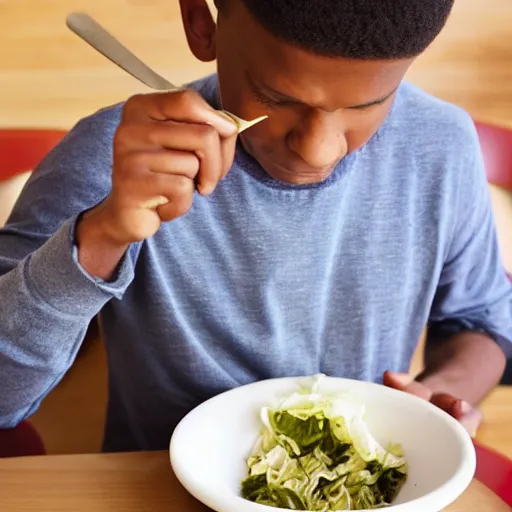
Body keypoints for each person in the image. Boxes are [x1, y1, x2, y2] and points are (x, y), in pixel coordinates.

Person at [1, 0, 511, 452]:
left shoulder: (441, 145)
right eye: (279, 98)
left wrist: (439, 396)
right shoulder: (114, 160)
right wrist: (101, 236)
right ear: (201, 23)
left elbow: (483, 318)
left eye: (367, 106)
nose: (318, 150)